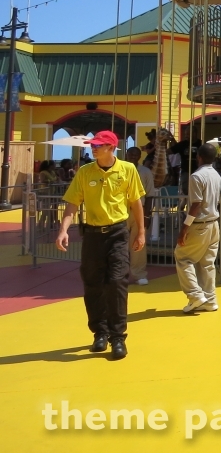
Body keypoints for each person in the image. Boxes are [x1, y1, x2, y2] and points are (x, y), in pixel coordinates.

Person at [55, 130, 145, 361]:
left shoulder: (127, 169)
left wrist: (141, 232)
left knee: (116, 282)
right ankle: (100, 332)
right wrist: (64, 229)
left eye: (98, 145)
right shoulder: (85, 172)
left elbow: (136, 202)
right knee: (92, 283)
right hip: (93, 235)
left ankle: (118, 337)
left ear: (111, 148)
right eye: (92, 145)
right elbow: (73, 203)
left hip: (117, 233)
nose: (93, 148)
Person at [175, 143, 221, 314]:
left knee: (183, 258)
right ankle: (210, 299)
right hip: (213, 223)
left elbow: (196, 204)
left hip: (199, 224)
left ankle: (195, 295)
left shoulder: (196, 176)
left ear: (198, 157)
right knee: (207, 263)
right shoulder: (216, 175)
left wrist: (184, 228)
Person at [125, 147, 158, 286]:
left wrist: (148, 215)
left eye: (136, 154)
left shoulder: (145, 172)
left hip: (138, 211)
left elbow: (150, 194)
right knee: (118, 243)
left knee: (138, 243)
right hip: (120, 210)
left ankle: (139, 274)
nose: (133, 156)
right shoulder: (118, 169)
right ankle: (119, 274)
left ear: (139, 157)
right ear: (126, 154)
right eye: (131, 153)